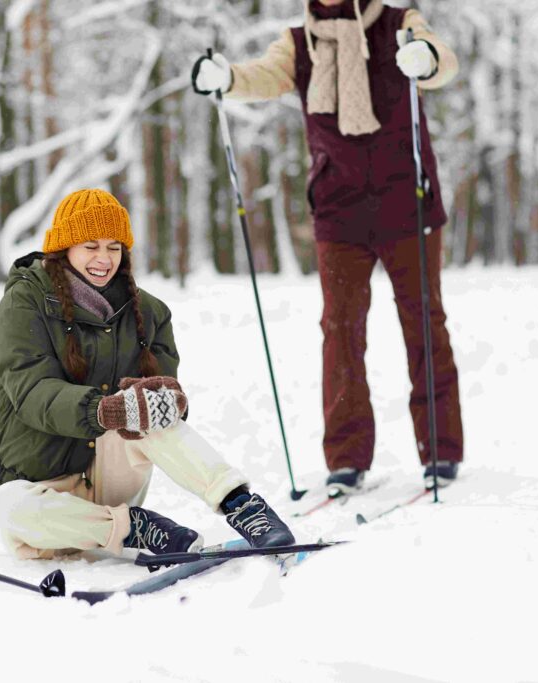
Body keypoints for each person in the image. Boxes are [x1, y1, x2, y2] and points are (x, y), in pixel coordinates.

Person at [191, 0, 464, 493]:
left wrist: (425, 58)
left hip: (408, 202)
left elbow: (443, 61)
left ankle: (441, 450)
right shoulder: (299, 42)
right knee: (339, 333)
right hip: (340, 208)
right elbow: (264, 75)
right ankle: (346, 457)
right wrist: (226, 77)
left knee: (423, 321)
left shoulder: (398, 23)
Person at [0, 188, 295, 559]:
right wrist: (106, 410)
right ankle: (135, 529)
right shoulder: (25, 302)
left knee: (151, 411)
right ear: (64, 247)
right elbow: (32, 391)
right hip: (45, 494)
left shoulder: (148, 313)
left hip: (110, 476)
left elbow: (163, 404)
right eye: (91, 245)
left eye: (114, 247)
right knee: (5, 507)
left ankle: (241, 505)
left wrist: (168, 400)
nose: (104, 258)